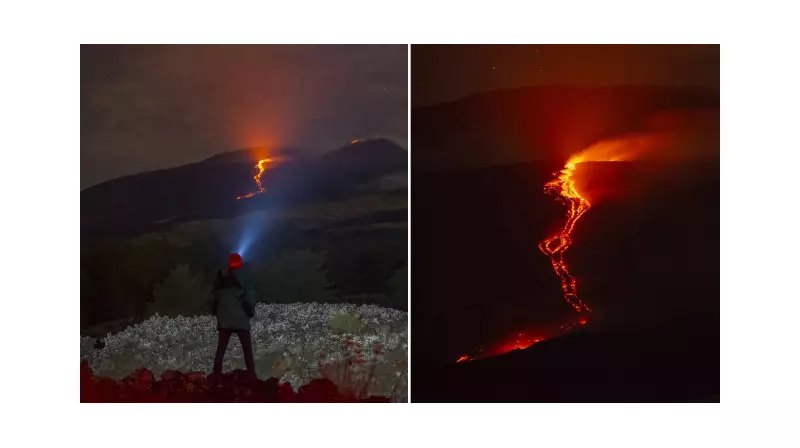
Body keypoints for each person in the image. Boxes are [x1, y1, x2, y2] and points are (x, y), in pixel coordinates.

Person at [211, 253, 257, 377]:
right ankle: (252, 376)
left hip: (224, 320)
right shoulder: (246, 276)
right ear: (240, 262)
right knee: (247, 352)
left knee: (220, 351)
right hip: (241, 319)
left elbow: (213, 298)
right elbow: (250, 296)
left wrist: (215, 312)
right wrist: (250, 312)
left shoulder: (221, 277)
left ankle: (215, 376)